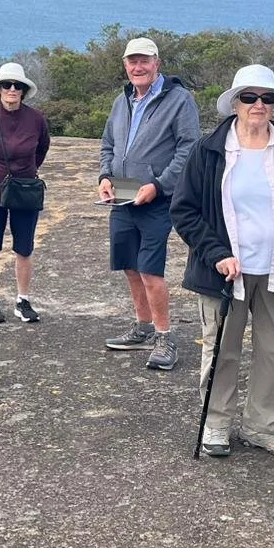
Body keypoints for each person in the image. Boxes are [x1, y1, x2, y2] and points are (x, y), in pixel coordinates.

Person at [172, 65, 274, 458]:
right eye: (249, 97)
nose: (258, 105)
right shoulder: (208, 150)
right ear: (235, 103)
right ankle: (216, 424)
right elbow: (185, 211)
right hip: (224, 274)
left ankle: (264, 426)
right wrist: (217, 253)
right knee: (223, 350)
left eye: (266, 98)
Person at [98, 37, 200, 371]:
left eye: (144, 61)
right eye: (132, 62)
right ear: (126, 66)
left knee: (150, 269)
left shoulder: (179, 100)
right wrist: (105, 176)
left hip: (157, 199)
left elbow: (188, 149)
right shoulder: (122, 100)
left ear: (157, 63)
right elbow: (108, 143)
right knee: (129, 264)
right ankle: (142, 328)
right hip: (123, 195)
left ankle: (165, 337)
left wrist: (158, 185)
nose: (138, 67)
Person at [0, 61, 51, 324]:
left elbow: (41, 149)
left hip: (24, 191)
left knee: (24, 248)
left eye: (16, 86)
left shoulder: (36, 119)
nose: (11, 89)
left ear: (23, 90)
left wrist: (25, 173)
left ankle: (23, 299)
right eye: (6, 85)